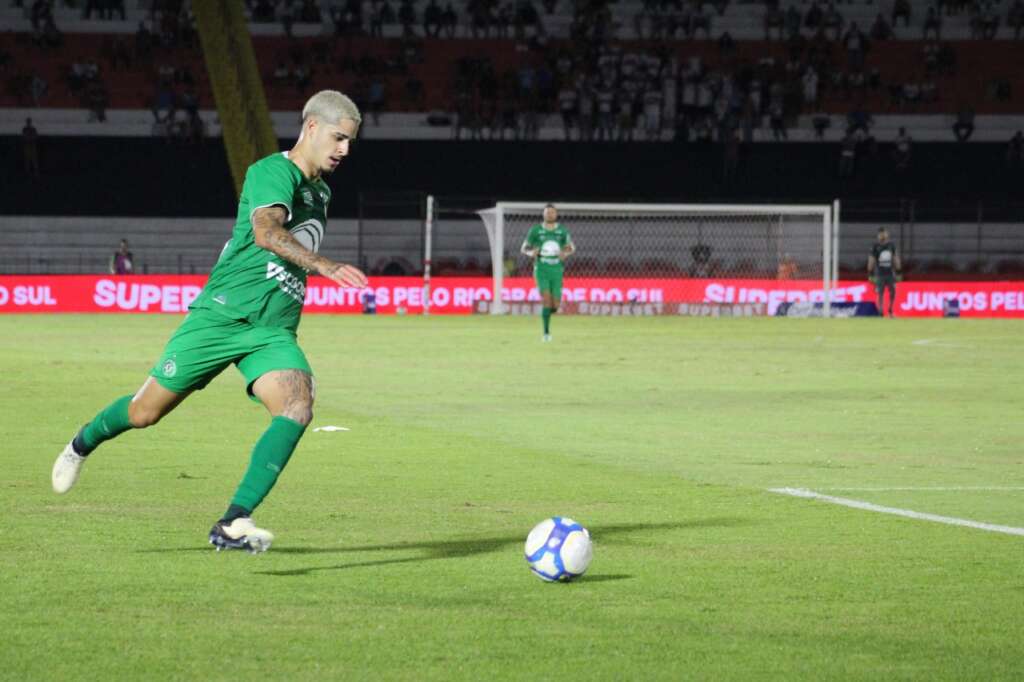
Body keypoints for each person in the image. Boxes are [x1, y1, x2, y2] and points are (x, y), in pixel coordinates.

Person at [50, 91, 369, 553]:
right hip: (220, 317)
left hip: (271, 331)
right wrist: (323, 264)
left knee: (298, 406)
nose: (345, 149)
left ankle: (234, 521)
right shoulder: (273, 172)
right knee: (144, 413)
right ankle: (81, 443)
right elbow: (267, 232)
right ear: (312, 127)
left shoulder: (321, 192)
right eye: (339, 138)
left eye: (350, 141)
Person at [520, 204, 575, 341]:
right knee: (546, 300)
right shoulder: (535, 230)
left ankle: (548, 312)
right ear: (543, 214)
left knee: (555, 306)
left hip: (557, 270)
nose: (550, 214)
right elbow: (524, 248)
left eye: (552, 212)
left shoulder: (562, 231)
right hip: (541, 269)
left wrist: (565, 253)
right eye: (547, 212)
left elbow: (571, 248)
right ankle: (546, 333)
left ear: (556, 214)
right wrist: (531, 253)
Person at [867, 227, 901, 317]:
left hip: (890, 273)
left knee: (893, 292)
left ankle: (890, 310)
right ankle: (880, 311)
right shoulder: (875, 246)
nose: (882, 235)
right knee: (880, 293)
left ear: (887, 234)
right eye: (880, 234)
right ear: (878, 236)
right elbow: (871, 260)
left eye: (883, 233)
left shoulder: (891, 246)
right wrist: (870, 273)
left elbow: (895, 258)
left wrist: (898, 271)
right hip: (879, 274)